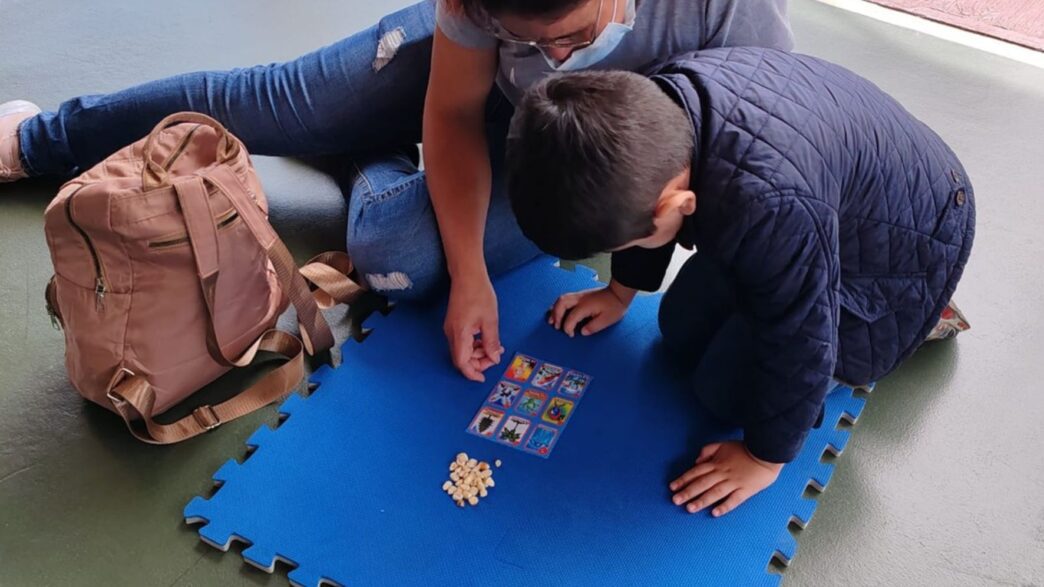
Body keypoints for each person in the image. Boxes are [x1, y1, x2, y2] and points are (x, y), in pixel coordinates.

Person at [0, 0, 793, 382]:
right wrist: (476, 278)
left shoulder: (731, 13)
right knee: (274, 101)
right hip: (467, 87)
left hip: (565, 160)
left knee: (396, 260)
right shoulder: (481, 11)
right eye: (528, 39)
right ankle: (39, 136)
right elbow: (451, 115)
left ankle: (366, 147)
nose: (552, 56)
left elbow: (757, 157)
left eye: (575, 37)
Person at [504, 48, 974, 516]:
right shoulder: (651, 105)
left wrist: (764, 458)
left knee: (722, 394)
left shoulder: (772, 206)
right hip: (826, 194)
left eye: (619, 249)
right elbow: (639, 202)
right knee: (678, 325)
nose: (618, 256)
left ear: (677, 206)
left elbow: (801, 336)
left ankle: (926, 314)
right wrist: (619, 292)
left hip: (908, 247)